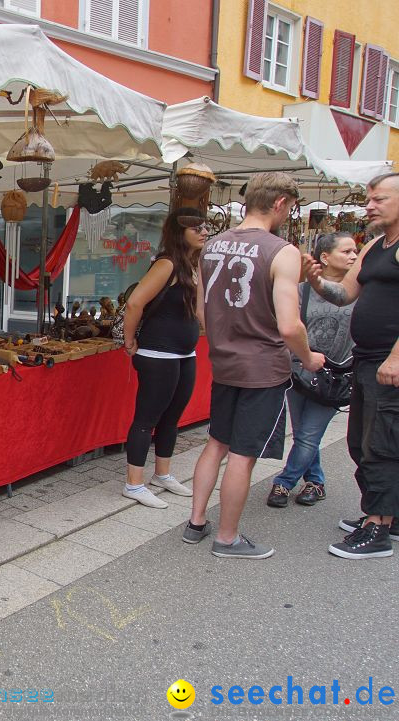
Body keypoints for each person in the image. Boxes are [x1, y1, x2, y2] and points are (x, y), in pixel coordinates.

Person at [182, 172, 324, 559]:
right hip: (262, 368)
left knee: (216, 443)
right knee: (242, 454)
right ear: (280, 203)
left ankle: (196, 523)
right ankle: (227, 538)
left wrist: (225, 342)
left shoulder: (211, 247)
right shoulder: (282, 251)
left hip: (225, 363)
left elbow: (201, 311)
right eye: (291, 207)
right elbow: (290, 324)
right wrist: (309, 358)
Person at [305, 172, 399, 559]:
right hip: (367, 359)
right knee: (361, 440)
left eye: (378, 199)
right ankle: (386, 514)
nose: (369, 206)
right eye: (370, 199)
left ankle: (378, 528)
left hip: (388, 362)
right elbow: (344, 294)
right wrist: (316, 282)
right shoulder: (377, 245)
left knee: (380, 443)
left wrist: (396, 357)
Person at [120, 207, 207, 508]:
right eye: (196, 228)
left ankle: (163, 474)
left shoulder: (192, 265)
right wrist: (129, 340)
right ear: (178, 231)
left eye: (205, 226)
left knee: (172, 417)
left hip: (185, 353)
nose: (204, 231)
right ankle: (133, 483)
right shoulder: (167, 263)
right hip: (158, 353)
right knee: (147, 419)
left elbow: (198, 311)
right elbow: (134, 303)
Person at [266, 233, 357, 509]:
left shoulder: (361, 291)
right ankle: (315, 482)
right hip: (299, 372)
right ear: (325, 257)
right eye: (347, 251)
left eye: (355, 251)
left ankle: (284, 481)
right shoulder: (302, 290)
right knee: (305, 431)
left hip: (337, 375)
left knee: (308, 435)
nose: (354, 256)